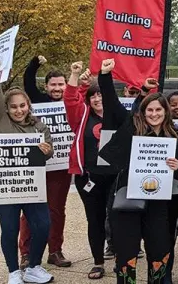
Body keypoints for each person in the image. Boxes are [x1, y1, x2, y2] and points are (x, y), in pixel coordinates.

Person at [96, 59, 178, 284]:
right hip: (127, 200)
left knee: (159, 250)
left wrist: (177, 167)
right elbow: (110, 101)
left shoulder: (175, 137)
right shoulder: (131, 129)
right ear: (143, 111)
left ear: (165, 112)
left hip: (157, 203)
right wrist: (105, 76)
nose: (154, 114)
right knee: (127, 254)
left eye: (159, 109)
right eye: (150, 109)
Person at [0, 80, 55, 284]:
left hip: (31, 186)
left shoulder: (40, 126)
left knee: (43, 225)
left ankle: (33, 266)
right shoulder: (1, 121)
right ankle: (13, 272)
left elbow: (48, 152)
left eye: (22, 105)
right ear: (6, 109)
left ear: (28, 105)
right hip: (6, 188)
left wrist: (47, 151)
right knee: (10, 228)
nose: (18, 110)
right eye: (13, 106)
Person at [19, 55, 72, 269]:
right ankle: (26, 253)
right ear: (47, 86)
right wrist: (34, 63)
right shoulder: (38, 101)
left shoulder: (72, 103)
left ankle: (55, 251)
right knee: (29, 210)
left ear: (66, 86)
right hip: (38, 164)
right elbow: (28, 82)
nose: (57, 88)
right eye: (53, 84)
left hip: (61, 167)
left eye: (61, 84)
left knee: (57, 209)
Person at [64, 62, 115, 280]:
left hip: (115, 177)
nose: (97, 99)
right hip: (89, 178)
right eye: (93, 96)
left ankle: (121, 257)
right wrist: (75, 75)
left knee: (117, 218)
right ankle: (98, 262)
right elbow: (70, 100)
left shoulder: (117, 116)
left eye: (101, 94)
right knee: (94, 220)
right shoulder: (82, 116)